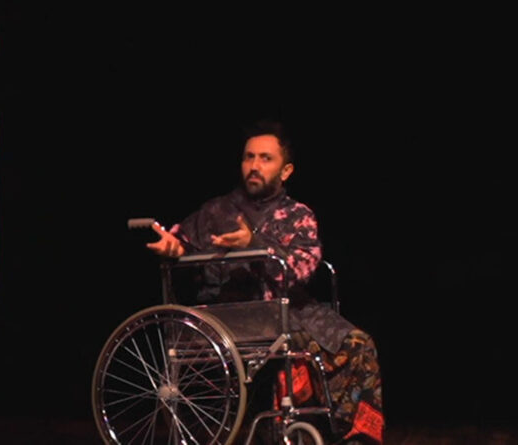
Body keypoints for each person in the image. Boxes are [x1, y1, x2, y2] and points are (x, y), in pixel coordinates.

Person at [147, 120, 384, 444]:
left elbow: (302, 269)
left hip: (291, 309)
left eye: (265, 158)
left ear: (286, 171)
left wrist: (254, 244)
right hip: (231, 314)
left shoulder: (298, 215)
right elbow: (182, 240)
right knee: (282, 348)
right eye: (249, 157)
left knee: (358, 344)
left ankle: (351, 438)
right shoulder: (216, 211)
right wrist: (174, 248)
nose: (254, 165)